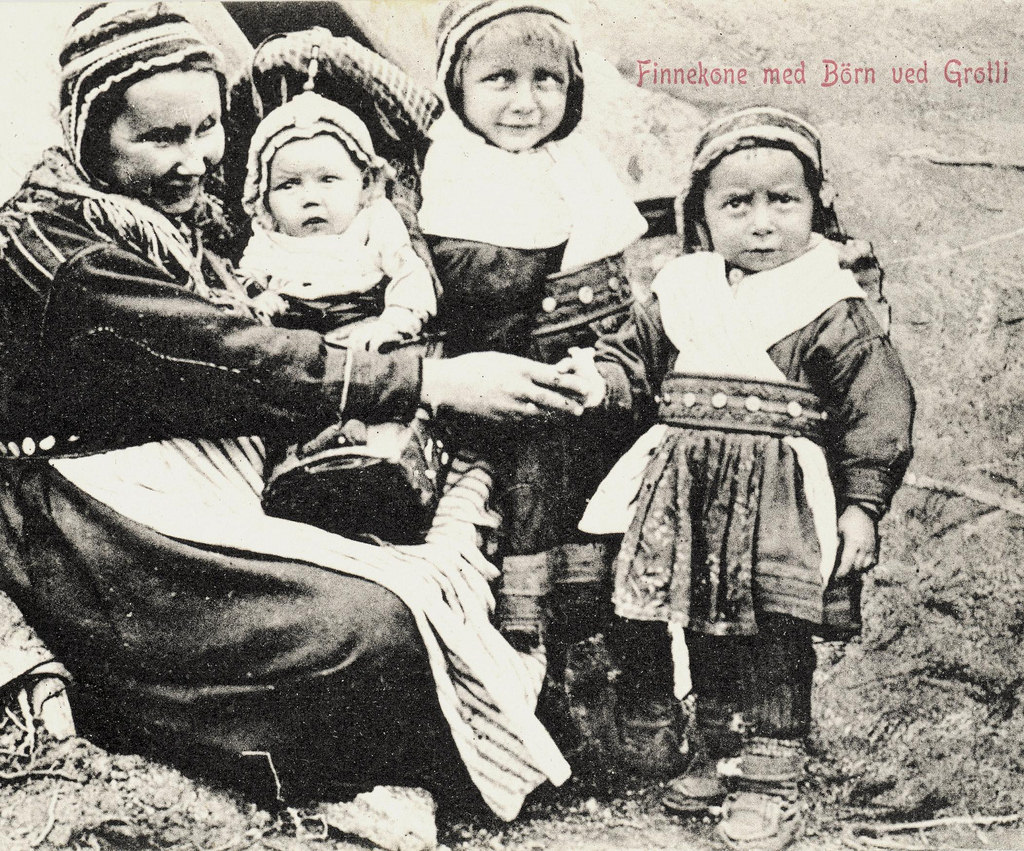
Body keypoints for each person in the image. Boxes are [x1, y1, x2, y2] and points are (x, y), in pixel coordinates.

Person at [0, 1, 590, 821]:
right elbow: (232, 350)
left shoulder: (167, 210)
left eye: (207, 128)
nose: (197, 157)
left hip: (202, 466)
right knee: (371, 626)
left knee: (443, 519)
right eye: (161, 138)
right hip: (94, 515)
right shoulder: (66, 251)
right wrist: (431, 380)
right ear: (90, 133)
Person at [565, 106, 915, 849]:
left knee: (776, 629)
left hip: (783, 493)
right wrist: (602, 379)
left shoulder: (829, 303)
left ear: (816, 205)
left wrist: (863, 505)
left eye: (782, 201)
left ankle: (770, 776)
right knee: (703, 615)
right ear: (701, 213)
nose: (762, 223)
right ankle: (721, 748)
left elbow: (876, 409)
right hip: (689, 482)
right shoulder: (683, 288)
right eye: (737, 203)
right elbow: (635, 357)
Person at [417, 0, 648, 694]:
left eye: (547, 80)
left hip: (598, 391)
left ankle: (623, 692)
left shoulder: (575, 166)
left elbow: (620, 290)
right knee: (523, 544)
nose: (525, 101)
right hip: (513, 400)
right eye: (499, 80)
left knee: (607, 540)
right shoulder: (453, 170)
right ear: (457, 85)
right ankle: (532, 698)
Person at [238, 90, 437, 351]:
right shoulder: (270, 236)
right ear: (265, 198)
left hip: (367, 330)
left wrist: (393, 322)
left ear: (365, 184)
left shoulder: (374, 222)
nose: (310, 198)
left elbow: (409, 273)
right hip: (298, 345)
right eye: (289, 185)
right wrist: (259, 298)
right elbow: (245, 278)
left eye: (328, 180)